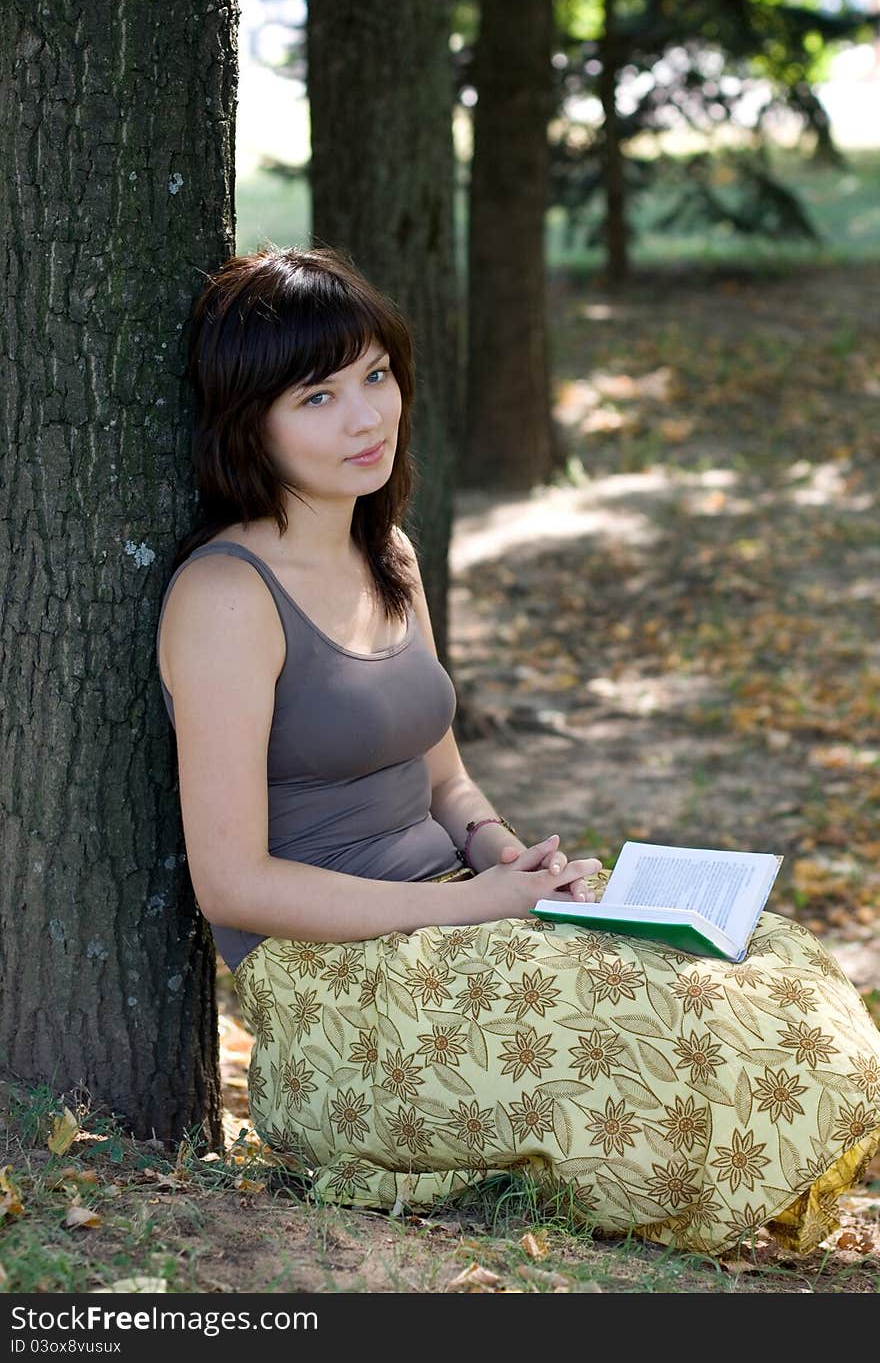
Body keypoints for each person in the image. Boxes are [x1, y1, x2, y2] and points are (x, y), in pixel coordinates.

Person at [156, 245, 880, 1256]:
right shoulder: (226, 597)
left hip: (456, 919)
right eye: (317, 397)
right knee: (682, 1024)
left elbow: (442, 773)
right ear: (249, 421)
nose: (367, 416)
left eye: (375, 376)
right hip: (343, 995)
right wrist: (469, 901)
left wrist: (504, 855)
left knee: (767, 964)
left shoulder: (387, 549)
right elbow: (231, 884)